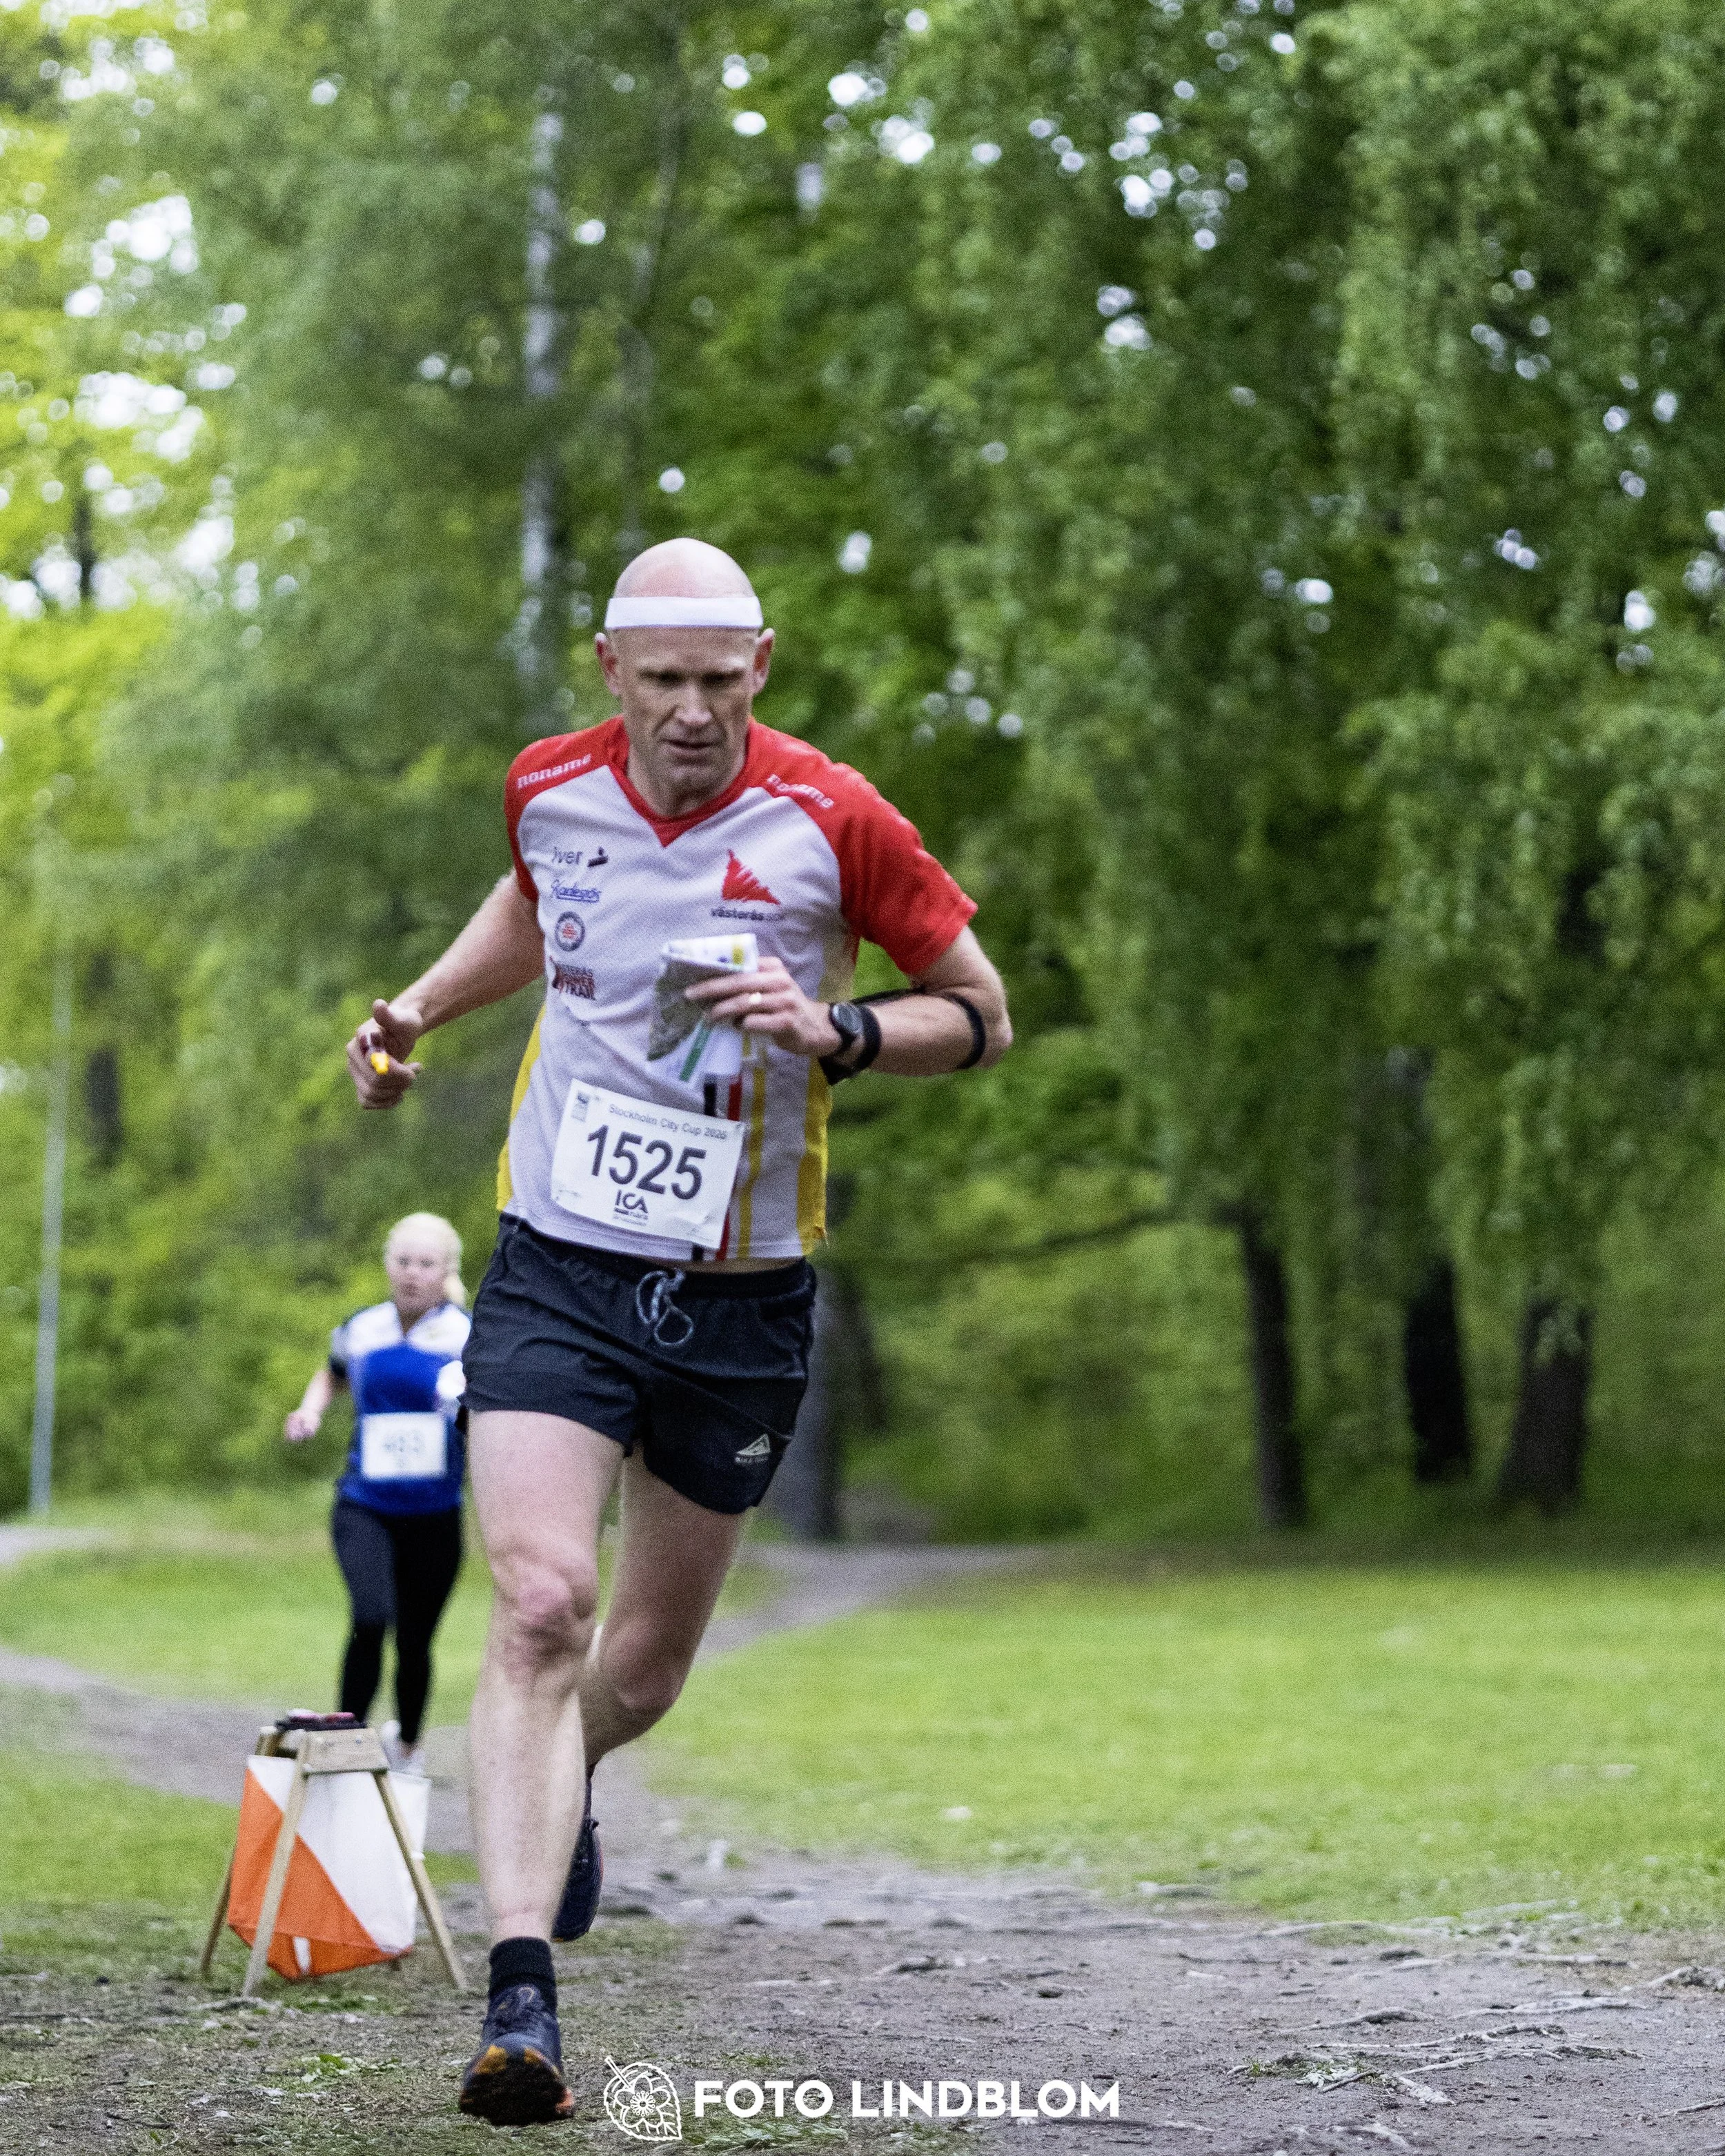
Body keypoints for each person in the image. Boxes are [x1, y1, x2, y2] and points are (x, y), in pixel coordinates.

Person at [344, 537, 1011, 2126]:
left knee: (635, 1668)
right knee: (541, 1603)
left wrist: (840, 1027)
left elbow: (980, 1011)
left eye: (725, 680)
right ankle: (520, 1997)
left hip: (742, 1293)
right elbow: (533, 901)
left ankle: (558, 1774)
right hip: (562, 1267)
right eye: (667, 683)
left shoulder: (835, 819)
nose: (696, 711)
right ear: (611, 672)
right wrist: (420, 1009)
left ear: (761, 667)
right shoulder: (550, 788)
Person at [284, 1211, 470, 1776]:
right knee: (370, 1616)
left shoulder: (468, 1336)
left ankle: (407, 1746)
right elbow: (332, 1372)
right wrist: (310, 1411)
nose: (413, 1273)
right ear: (388, 1266)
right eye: (403, 1261)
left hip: (436, 1515)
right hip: (365, 1504)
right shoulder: (363, 1327)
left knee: (416, 1642)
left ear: (446, 1272)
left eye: (426, 1263)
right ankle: (345, 1742)